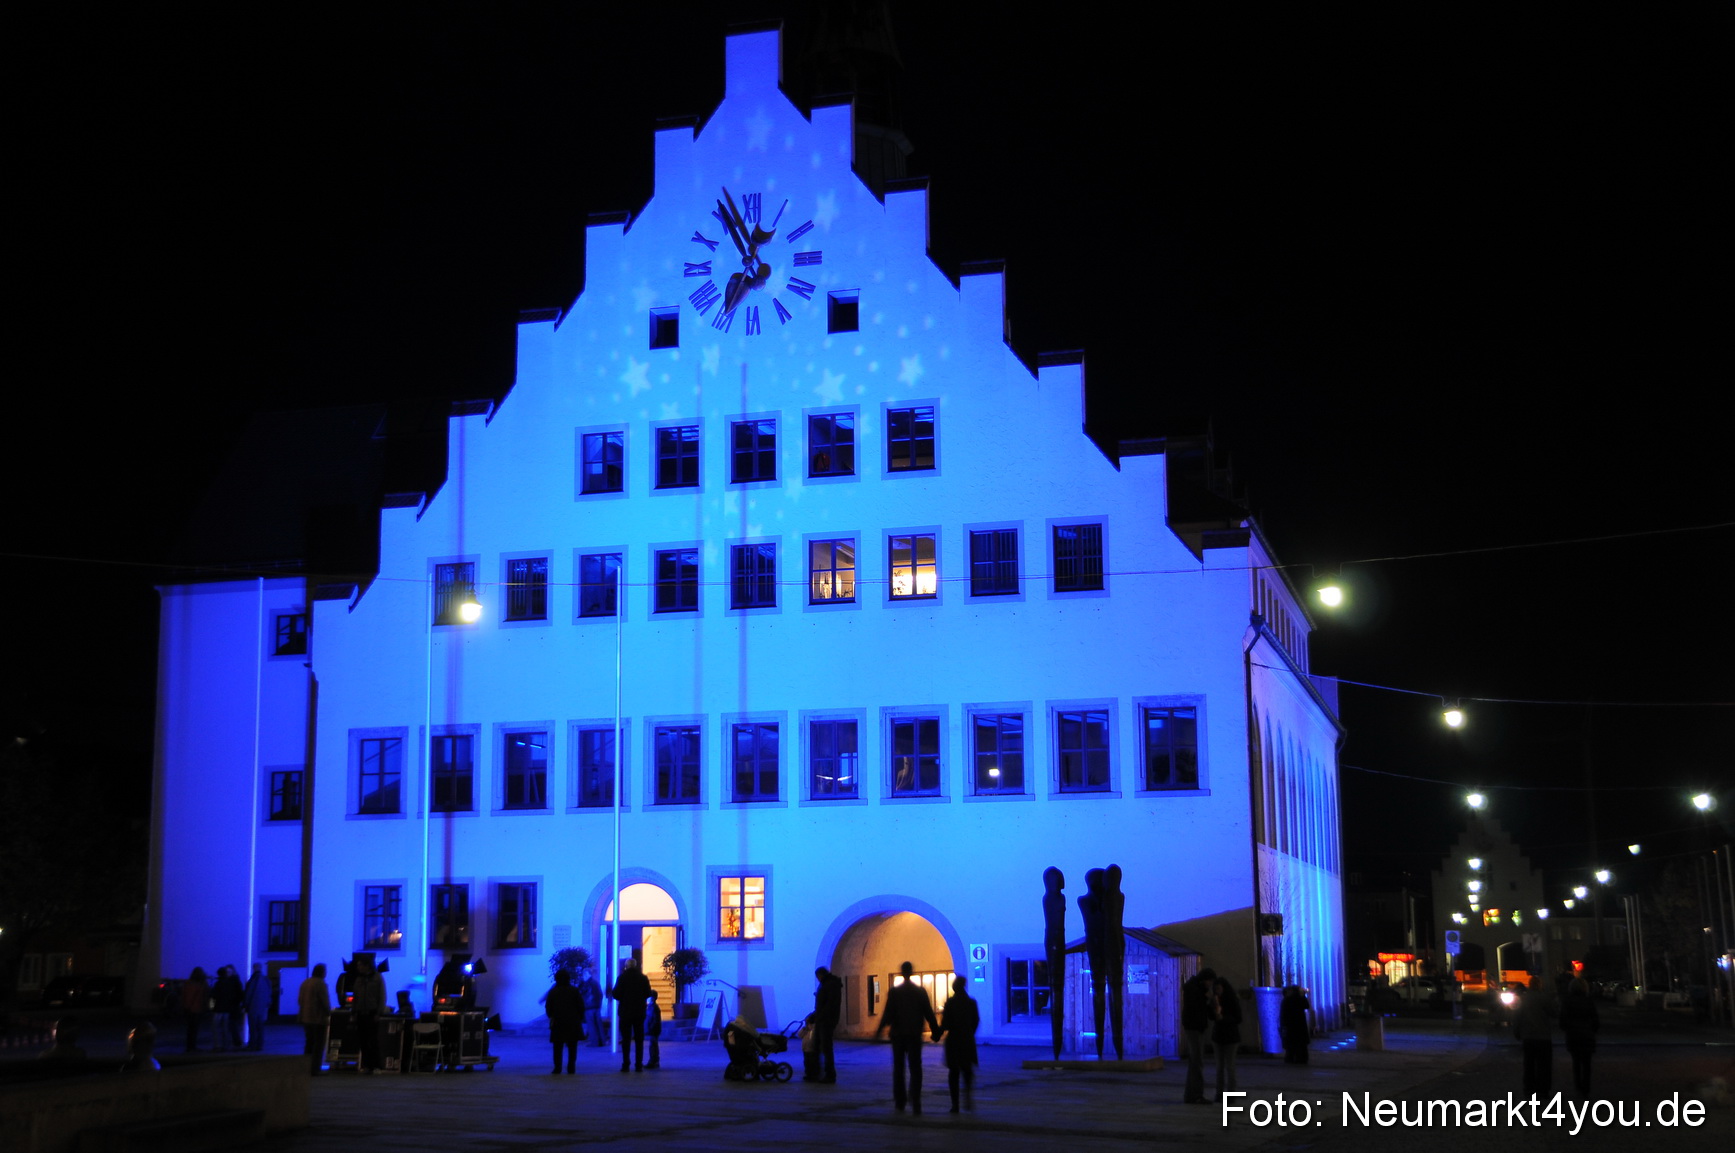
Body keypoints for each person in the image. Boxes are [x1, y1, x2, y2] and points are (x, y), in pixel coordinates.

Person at [873, 960, 940, 1114]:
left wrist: (879, 1030)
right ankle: (915, 1099)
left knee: (898, 1069)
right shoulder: (920, 991)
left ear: (902, 973)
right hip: (914, 1034)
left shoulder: (895, 992)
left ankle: (900, 1101)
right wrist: (936, 1031)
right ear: (912, 972)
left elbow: (887, 1013)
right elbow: (928, 1012)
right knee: (915, 1068)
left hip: (898, 1035)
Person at [935, 976, 980, 1113]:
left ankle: (955, 1104)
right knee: (967, 1070)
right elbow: (976, 1021)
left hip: (954, 1040)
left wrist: (937, 1034)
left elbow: (945, 1023)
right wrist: (969, 1033)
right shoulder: (971, 1002)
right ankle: (967, 1096)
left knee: (954, 1072)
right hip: (967, 1039)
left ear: (955, 987)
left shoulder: (951, 1003)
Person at [1513, 977, 1556, 1097]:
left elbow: (1517, 1017)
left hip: (1528, 1036)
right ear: (1540, 985)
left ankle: (1529, 1089)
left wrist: (1517, 1031)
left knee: (1529, 1064)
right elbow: (1554, 1013)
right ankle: (1543, 1089)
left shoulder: (1523, 999)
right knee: (1544, 1065)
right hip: (1543, 1036)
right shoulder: (1545, 998)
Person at [1179, 967, 1215, 1103]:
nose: (1210, 985)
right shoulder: (1195, 990)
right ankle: (1195, 1095)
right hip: (1195, 1027)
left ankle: (1192, 1094)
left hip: (1194, 1027)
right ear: (1205, 980)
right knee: (1197, 1061)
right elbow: (1196, 1007)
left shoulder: (1193, 988)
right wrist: (1206, 998)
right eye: (1210, 981)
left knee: (1195, 1061)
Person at [610, 958, 652, 1072]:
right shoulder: (643, 978)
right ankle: (638, 1064)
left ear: (626, 966)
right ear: (636, 965)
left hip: (625, 1012)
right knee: (639, 1039)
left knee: (626, 1039)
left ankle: (626, 1064)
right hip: (639, 1012)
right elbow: (648, 993)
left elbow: (616, 994)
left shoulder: (622, 978)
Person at [1560, 977, 1599, 1095]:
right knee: (1587, 1063)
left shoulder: (1567, 1001)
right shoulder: (1589, 1001)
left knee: (1576, 1062)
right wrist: (1592, 1030)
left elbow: (1563, 1020)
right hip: (1587, 1034)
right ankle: (1586, 1088)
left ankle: (1578, 1086)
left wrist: (1567, 1029)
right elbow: (1595, 1019)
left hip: (1573, 1035)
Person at [351, 953, 388, 1074]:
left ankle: (377, 1065)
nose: (358, 967)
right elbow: (355, 997)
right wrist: (354, 1012)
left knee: (373, 1040)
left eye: (360, 965)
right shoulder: (359, 979)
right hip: (360, 1013)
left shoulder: (377, 978)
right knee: (363, 1041)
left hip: (372, 1013)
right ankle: (366, 1065)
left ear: (367, 966)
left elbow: (382, 996)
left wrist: (379, 1012)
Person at [544, 969, 585, 1075]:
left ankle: (557, 1067)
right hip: (573, 1022)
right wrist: (579, 1018)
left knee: (558, 1047)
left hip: (558, 1022)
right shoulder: (574, 990)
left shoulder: (553, 992)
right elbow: (581, 1006)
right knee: (572, 1047)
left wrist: (552, 1016)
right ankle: (571, 1067)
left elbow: (548, 1007)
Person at [805, 966, 843, 1083]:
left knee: (825, 1048)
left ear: (820, 975)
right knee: (820, 1046)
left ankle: (828, 1074)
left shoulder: (828, 985)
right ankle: (817, 1072)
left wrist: (815, 1016)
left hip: (825, 1021)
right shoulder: (829, 984)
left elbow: (826, 1005)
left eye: (817, 977)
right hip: (825, 1019)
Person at [298, 963, 332, 1075]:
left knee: (309, 1043)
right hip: (318, 1019)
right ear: (322, 972)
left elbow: (300, 1000)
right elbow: (324, 1002)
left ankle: (306, 1067)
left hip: (306, 1018)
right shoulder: (320, 984)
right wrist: (329, 1013)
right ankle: (315, 1068)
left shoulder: (305, 983)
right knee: (318, 1045)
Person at [1212, 976, 1242, 1098]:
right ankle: (1219, 1093)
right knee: (1220, 1066)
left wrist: (1222, 1019)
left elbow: (1238, 1018)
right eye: (1216, 989)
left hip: (1230, 1037)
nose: (1217, 991)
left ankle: (1231, 1093)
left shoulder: (1232, 1000)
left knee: (1229, 1066)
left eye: (1219, 988)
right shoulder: (1215, 1000)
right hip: (1219, 1036)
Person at [213, 964, 244, 1050]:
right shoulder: (232, 982)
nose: (227, 973)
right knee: (228, 1027)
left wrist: (211, 1008)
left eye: (229, 972)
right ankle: (230, 1044)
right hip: (228, 1008)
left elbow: (213, 997)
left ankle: (225, 1044)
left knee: (225, 1027)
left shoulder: (225, 982)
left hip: (227, 1008)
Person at [181, 966, 211, 1052]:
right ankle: (193, 1046)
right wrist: (209, 1007)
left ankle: (189, 1046)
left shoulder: (187, 983)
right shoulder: (202, 984)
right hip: (198, 1008)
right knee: (195, 1029)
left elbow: (183, 996)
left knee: (189, 1029)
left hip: (187, 1008)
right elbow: (206, 997)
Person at [1280, 985, 1311, 1064]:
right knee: (1300, 1044)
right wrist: (1303, 996)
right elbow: (1306, 1006)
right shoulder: (1299, 998)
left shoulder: (1287, 1000)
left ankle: (1290, 1058)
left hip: (1290, 1025)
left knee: (1291, 1044)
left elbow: (1283, 1014)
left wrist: (1283, 1024)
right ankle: (1301, 1059)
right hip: (1299, 1025)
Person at [243, 963, 271, 1051]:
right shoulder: (266, 979)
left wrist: (245, 1004)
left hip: (253, 1007)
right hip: (262, 1008)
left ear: (254, 968)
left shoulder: (253, 979)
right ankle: (259, 1045)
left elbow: (249, 993)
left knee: (253, 1027)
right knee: (260, 1027)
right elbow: (269, 994)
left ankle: (252, 1045)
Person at [578, 966, 605, 1047]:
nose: (583, 976)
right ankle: (602, 1041)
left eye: (584, 974)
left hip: (589, 1006)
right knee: (598, 1024)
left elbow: (581, 993)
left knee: (591, 1025)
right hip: (596, 1006)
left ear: (587, 974)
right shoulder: (595, 983)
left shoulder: (586, 984)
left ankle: (594, 1042)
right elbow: (600, 995)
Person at [644, 989, 663, 1069]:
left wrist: (650, 1028)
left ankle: (652, 1061)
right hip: (654, 1029)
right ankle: (655, 1061)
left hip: (653, 1030)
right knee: (654, 1045)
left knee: (653, 1046)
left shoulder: (652, 1007)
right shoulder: (652, 1007)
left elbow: (653, 1019)